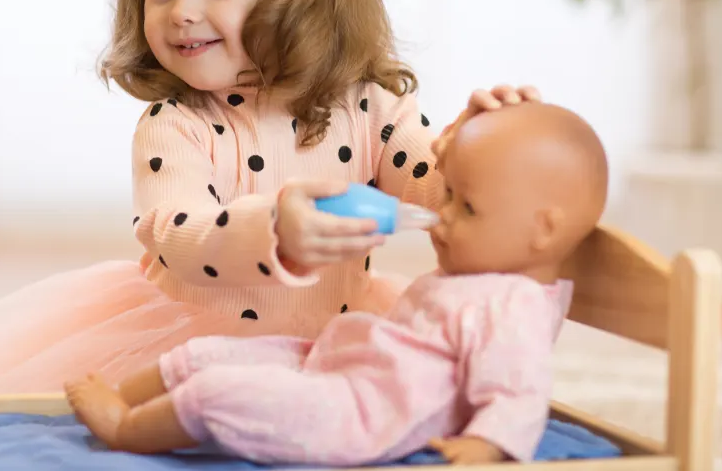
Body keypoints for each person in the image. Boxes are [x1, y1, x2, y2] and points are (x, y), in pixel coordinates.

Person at [0, 0, 540, 395]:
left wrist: (488, 144)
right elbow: (174, 232)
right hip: (200, 350)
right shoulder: (176, 124)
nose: (180, 12)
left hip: (339, 335)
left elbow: (435, 187)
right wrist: (274, 229)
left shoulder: (369, 105)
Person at [65, 102, 609, 466]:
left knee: (221, 392)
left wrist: (486, 446)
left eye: (465, 206)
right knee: (206, 354)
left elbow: (518, 389)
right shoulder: (486, 276)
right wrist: (464, 147)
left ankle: (125, 430)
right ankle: (120, 399)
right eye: (448, 196)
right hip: (337, 364)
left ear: (542, 231)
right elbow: (170, 225)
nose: (442, 216)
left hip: (361, 412)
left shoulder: (511, 306)